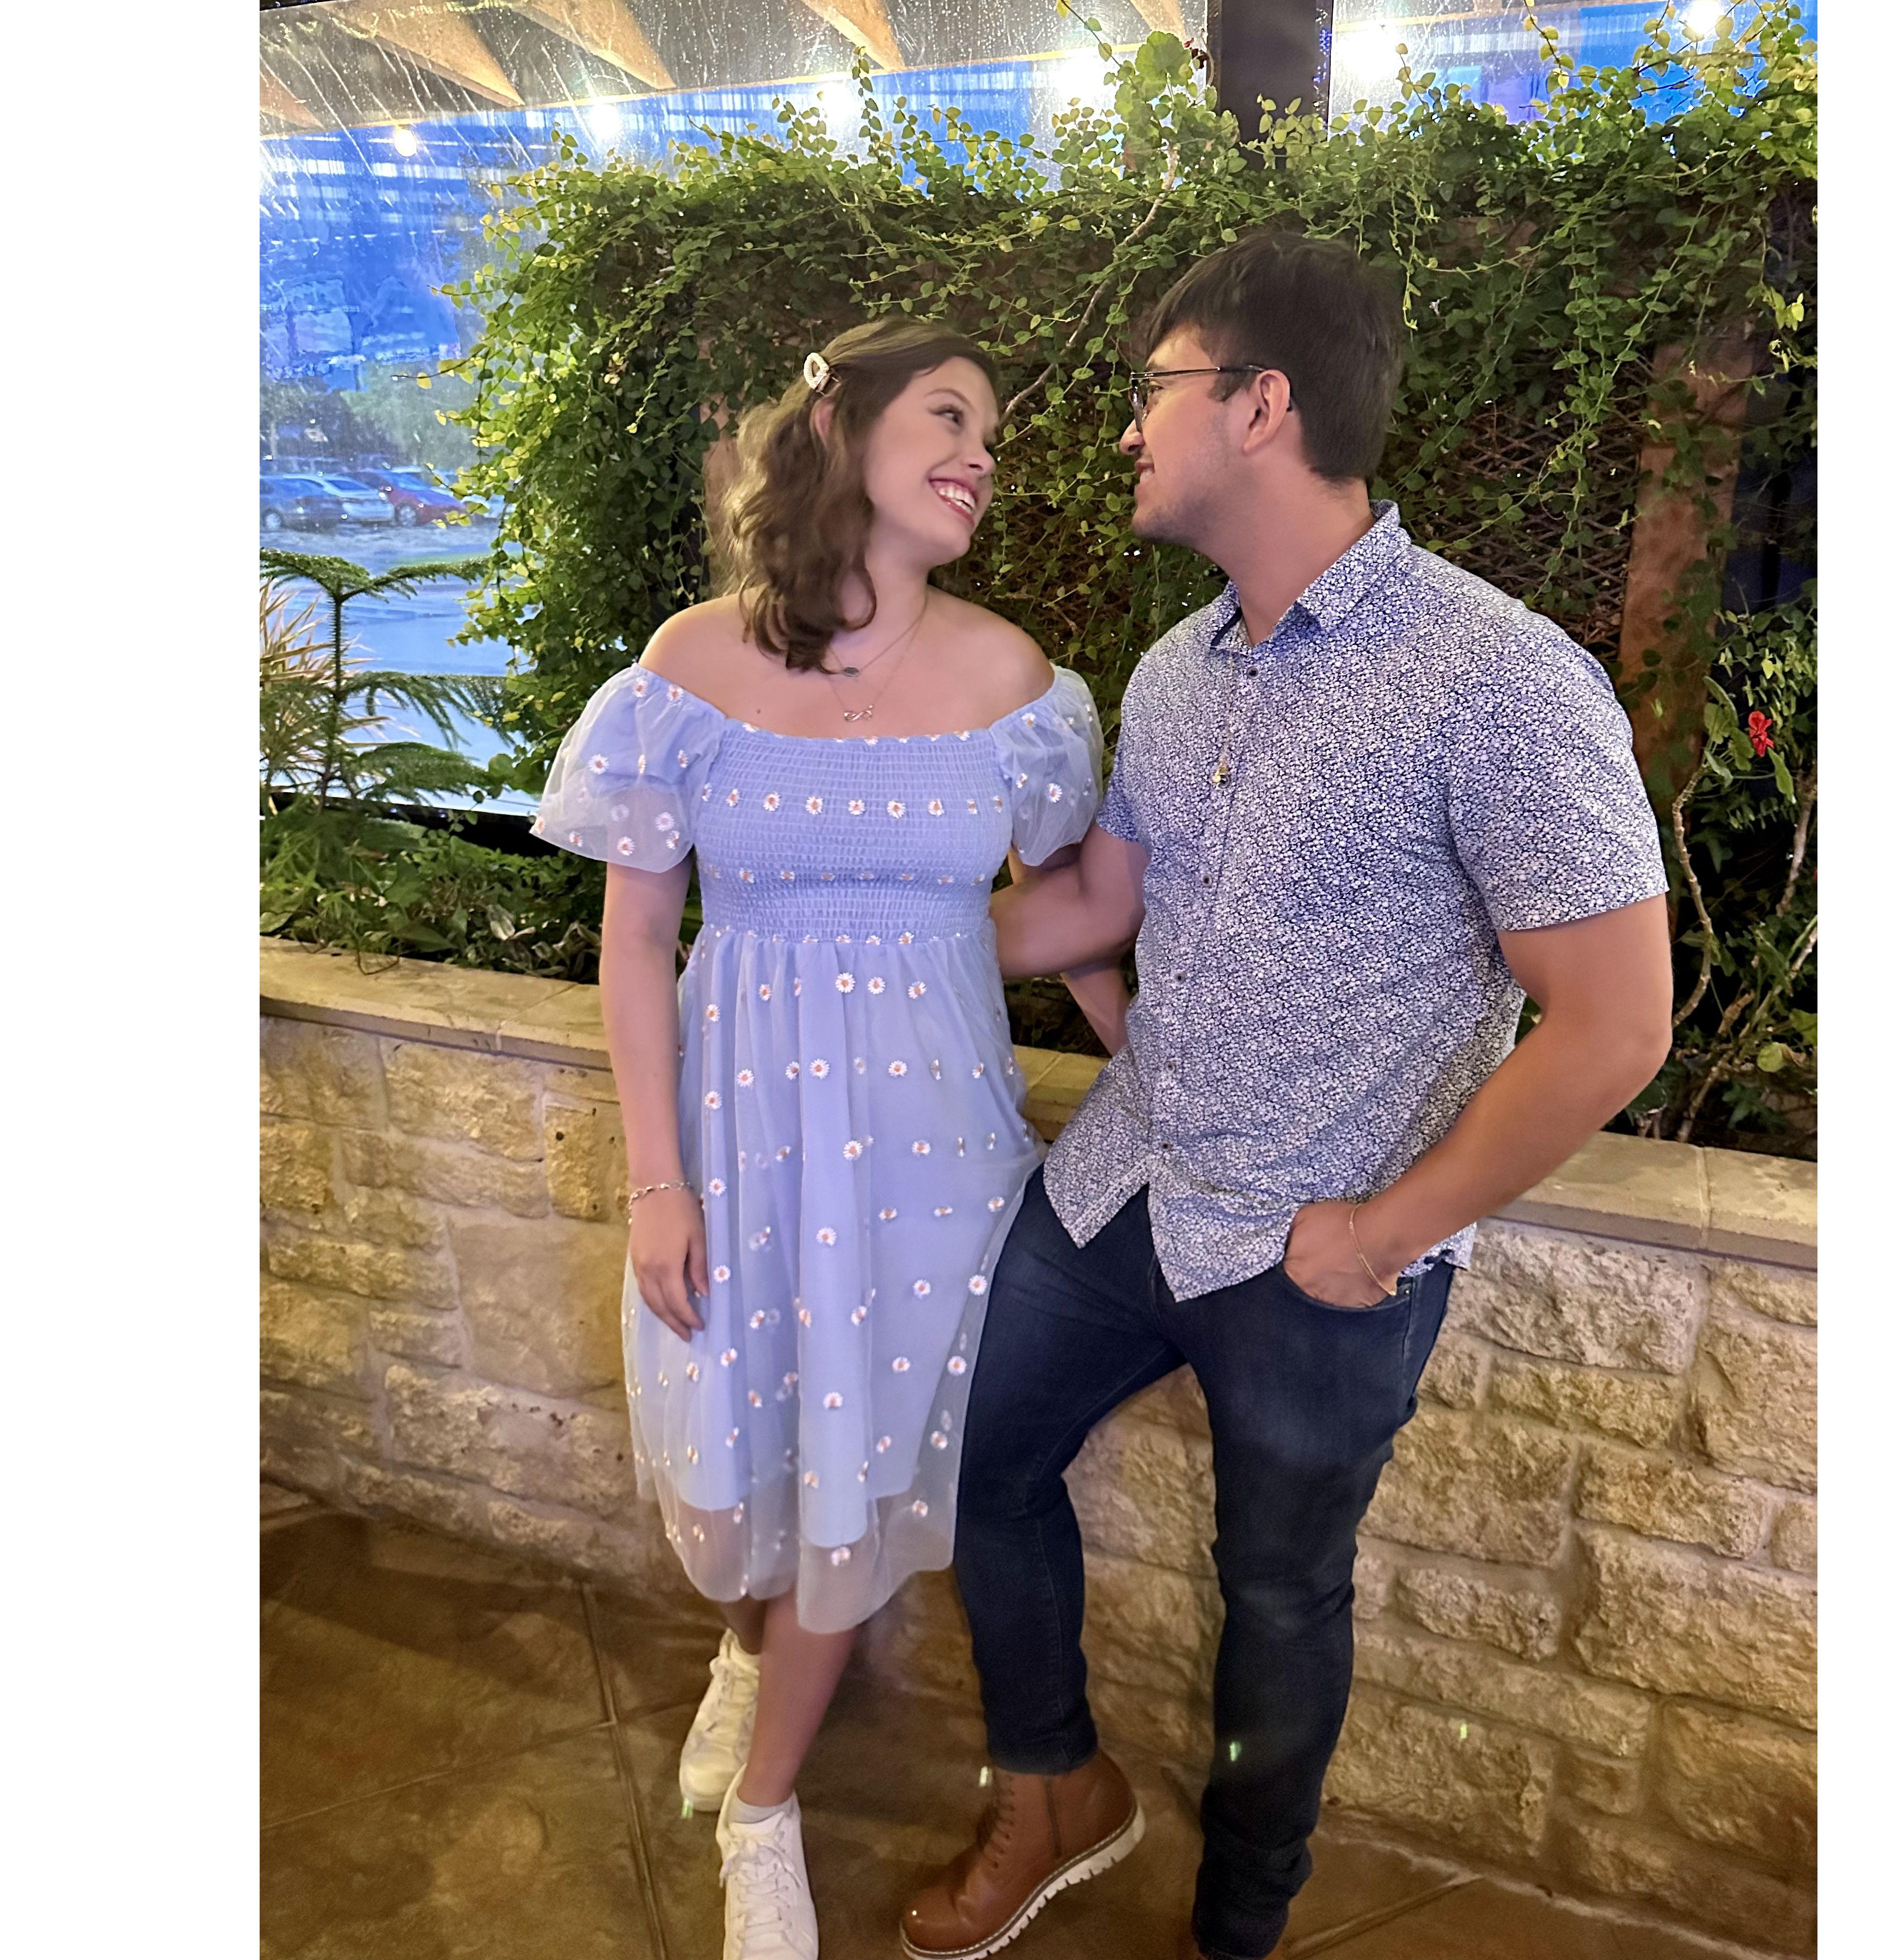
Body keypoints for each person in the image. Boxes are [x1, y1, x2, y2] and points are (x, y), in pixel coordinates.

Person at [899, 233, 1675, 1960]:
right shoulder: (1180, 672)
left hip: (1322, 1248)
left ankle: (1237, 1930)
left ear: (1261, 406)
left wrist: (1387, 1233)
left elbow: (1618, 1024)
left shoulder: (1501, 678)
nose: (1124, 431)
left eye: (1151, 392)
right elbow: (1098, 909)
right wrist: (864, 934)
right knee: (974, 1459)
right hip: (1125, 1188)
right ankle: (1054, 1790)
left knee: (1279, 1602)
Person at [531, 316, 1121, 1960]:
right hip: (736, 1147)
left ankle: (765, 1817)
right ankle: (747, 1655)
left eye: (992, 434)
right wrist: (656, 1181)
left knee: (855, 1466)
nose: (982, 455)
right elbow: (635, 943)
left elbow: (1078, 915)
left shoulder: (1016, 684)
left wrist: (1152, 1074)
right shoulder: (687, 669)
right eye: (950, 416)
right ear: (840, 428)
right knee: (735, 1447)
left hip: (936, 1160)